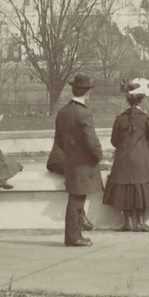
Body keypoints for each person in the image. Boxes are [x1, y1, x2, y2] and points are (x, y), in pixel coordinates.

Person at [49, 74, 104, 247]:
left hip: (70, 162)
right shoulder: (84, 114)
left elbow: (59, 140)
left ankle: (76, 235)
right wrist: (99, 156)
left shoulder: (63, 112)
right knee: (77, 201)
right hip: (83, 165)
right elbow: (92, 142)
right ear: (87, 93)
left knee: (77, 199)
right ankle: (73, 237)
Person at [104, 78, 149, 232]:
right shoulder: (144, 118)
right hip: (142, 159)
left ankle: (128, 222)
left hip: (123, 159)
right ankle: (140, 222)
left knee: (125, 189)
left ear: (128, 100)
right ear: (141, 100)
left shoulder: (120, 118)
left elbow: (114, 141)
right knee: (141, 188)